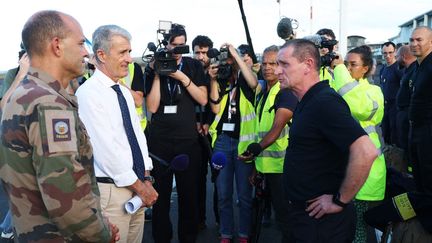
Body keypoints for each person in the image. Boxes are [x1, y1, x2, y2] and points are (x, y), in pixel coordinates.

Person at [0, 10, 119, 242]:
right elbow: (65, 194)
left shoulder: (24, 93)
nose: (86, 52)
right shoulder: (48, 103)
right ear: (57, 46)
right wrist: (101, 234)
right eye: (80, 43)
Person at [275, 39, 378, 242]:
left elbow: (366, 151)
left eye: (284, 64)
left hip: (322, 225)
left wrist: (340, 201)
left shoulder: (324, 102)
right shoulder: (308, 101)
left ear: (308, 65)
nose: (277, 71)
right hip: (306, 218)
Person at [76, 25, 158, 243]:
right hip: (113, 193)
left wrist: (147, 178)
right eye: (123, 52)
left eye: (130, 52)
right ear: (101, 55)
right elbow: (106, 151)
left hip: (138, 187)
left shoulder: (122, 91)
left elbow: (137, 136)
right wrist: (142, 188)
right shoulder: (87, 94)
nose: (130, 59)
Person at [145, 23, 207, 243]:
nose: (178, 51)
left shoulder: (192, 66)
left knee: (188, 197)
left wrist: (182, 78)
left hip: (187, 142)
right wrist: (158, 74)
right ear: (167, 44)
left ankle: (188, 238)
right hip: (160, 142)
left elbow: (203, 99)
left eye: (183, 46)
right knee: (160, 199)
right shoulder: (154, 67)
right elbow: (151, 107)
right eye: (174, 46)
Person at [239, 45, 297, 242]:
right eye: (264, 63)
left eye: (273, 63)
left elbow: (276, 129)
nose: (268, 67)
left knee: (286, 220)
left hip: (282, 169)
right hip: (266, 166)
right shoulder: (263, 91)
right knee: (266, 219)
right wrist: (257, 167)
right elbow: (260, 130)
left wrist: (255, 150)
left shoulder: (286, 91)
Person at [336, 45, 386, 243]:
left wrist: (339, 70)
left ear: (365, 68)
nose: (348, 69)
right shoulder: (337, 84)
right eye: (346, 64)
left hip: (367, 172)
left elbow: (359, 108)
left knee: (360, 232)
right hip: (344, 170)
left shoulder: (374, 91)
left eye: (353, 65)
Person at [208, 42, 258, 243]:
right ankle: (226, 233)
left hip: (243, 142)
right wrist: (212, 80)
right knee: (223, 194)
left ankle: (244, 234)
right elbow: (215, 109)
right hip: (222, 141)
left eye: (231, 58)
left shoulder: (246, 80)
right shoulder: (221, 79)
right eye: (226, 58)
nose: (228, 62)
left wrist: (236, 56)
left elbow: (254, 83)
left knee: (245, 196)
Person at [191, 34, 216, 229]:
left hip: (214, 132)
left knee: (219, 180)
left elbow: (219, 105)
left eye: (204, 53)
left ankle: (220, 220)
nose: (200, 56)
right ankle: (199, 219)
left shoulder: (217, 72)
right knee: (197, 178)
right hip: (194, 132)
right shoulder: (190, 70)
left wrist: (207, 123)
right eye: (197, 52)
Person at [380, 41, 403, 145]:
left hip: (396, 107)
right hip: (385, 107)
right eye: (385, 53)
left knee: (396, 136)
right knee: (385, 134)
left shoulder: (399, 68)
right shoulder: (383, 69)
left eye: (390, 52)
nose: (387, 56)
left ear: (395, 52)